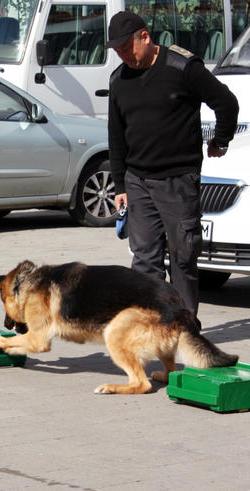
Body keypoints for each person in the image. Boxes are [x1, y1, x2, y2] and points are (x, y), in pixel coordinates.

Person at [106, 11, 238, 327]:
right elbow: (116, 134)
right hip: (138, 182)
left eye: (127, 48)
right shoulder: (119, 79)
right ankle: (152, 329)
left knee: (182, 258)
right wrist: (120, 185)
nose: (124, 56)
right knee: (144, 261)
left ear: (145, 37)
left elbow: (226, 103)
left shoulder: (182, 67)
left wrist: (220, 141)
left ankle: (184, 328)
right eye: (118, 52)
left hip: (178, 181)